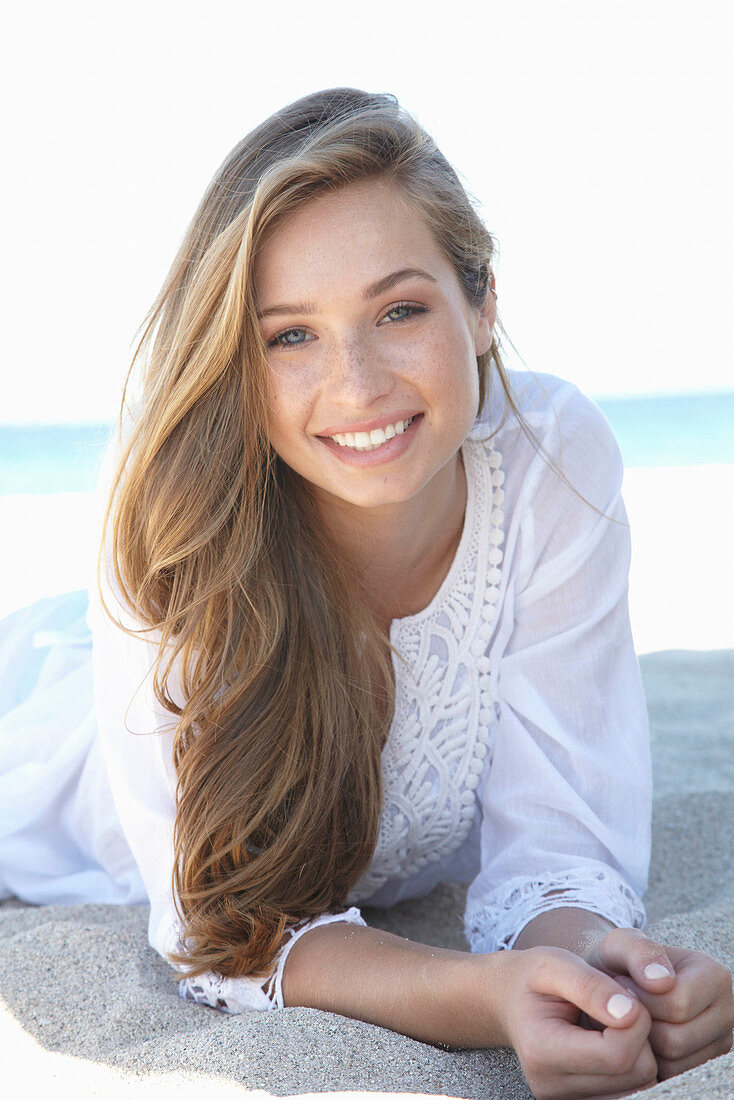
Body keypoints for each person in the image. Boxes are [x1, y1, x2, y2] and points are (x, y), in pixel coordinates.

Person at [0, 87, 731, 1100]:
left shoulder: (551, 462)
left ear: (479, 303)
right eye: (288, 335)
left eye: (397, 309)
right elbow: (229, 933)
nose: (355, 381)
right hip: (64, 775)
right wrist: (489, 996)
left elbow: (559, 846)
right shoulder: (175, 514)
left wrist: (604, 973)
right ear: (234, 360)